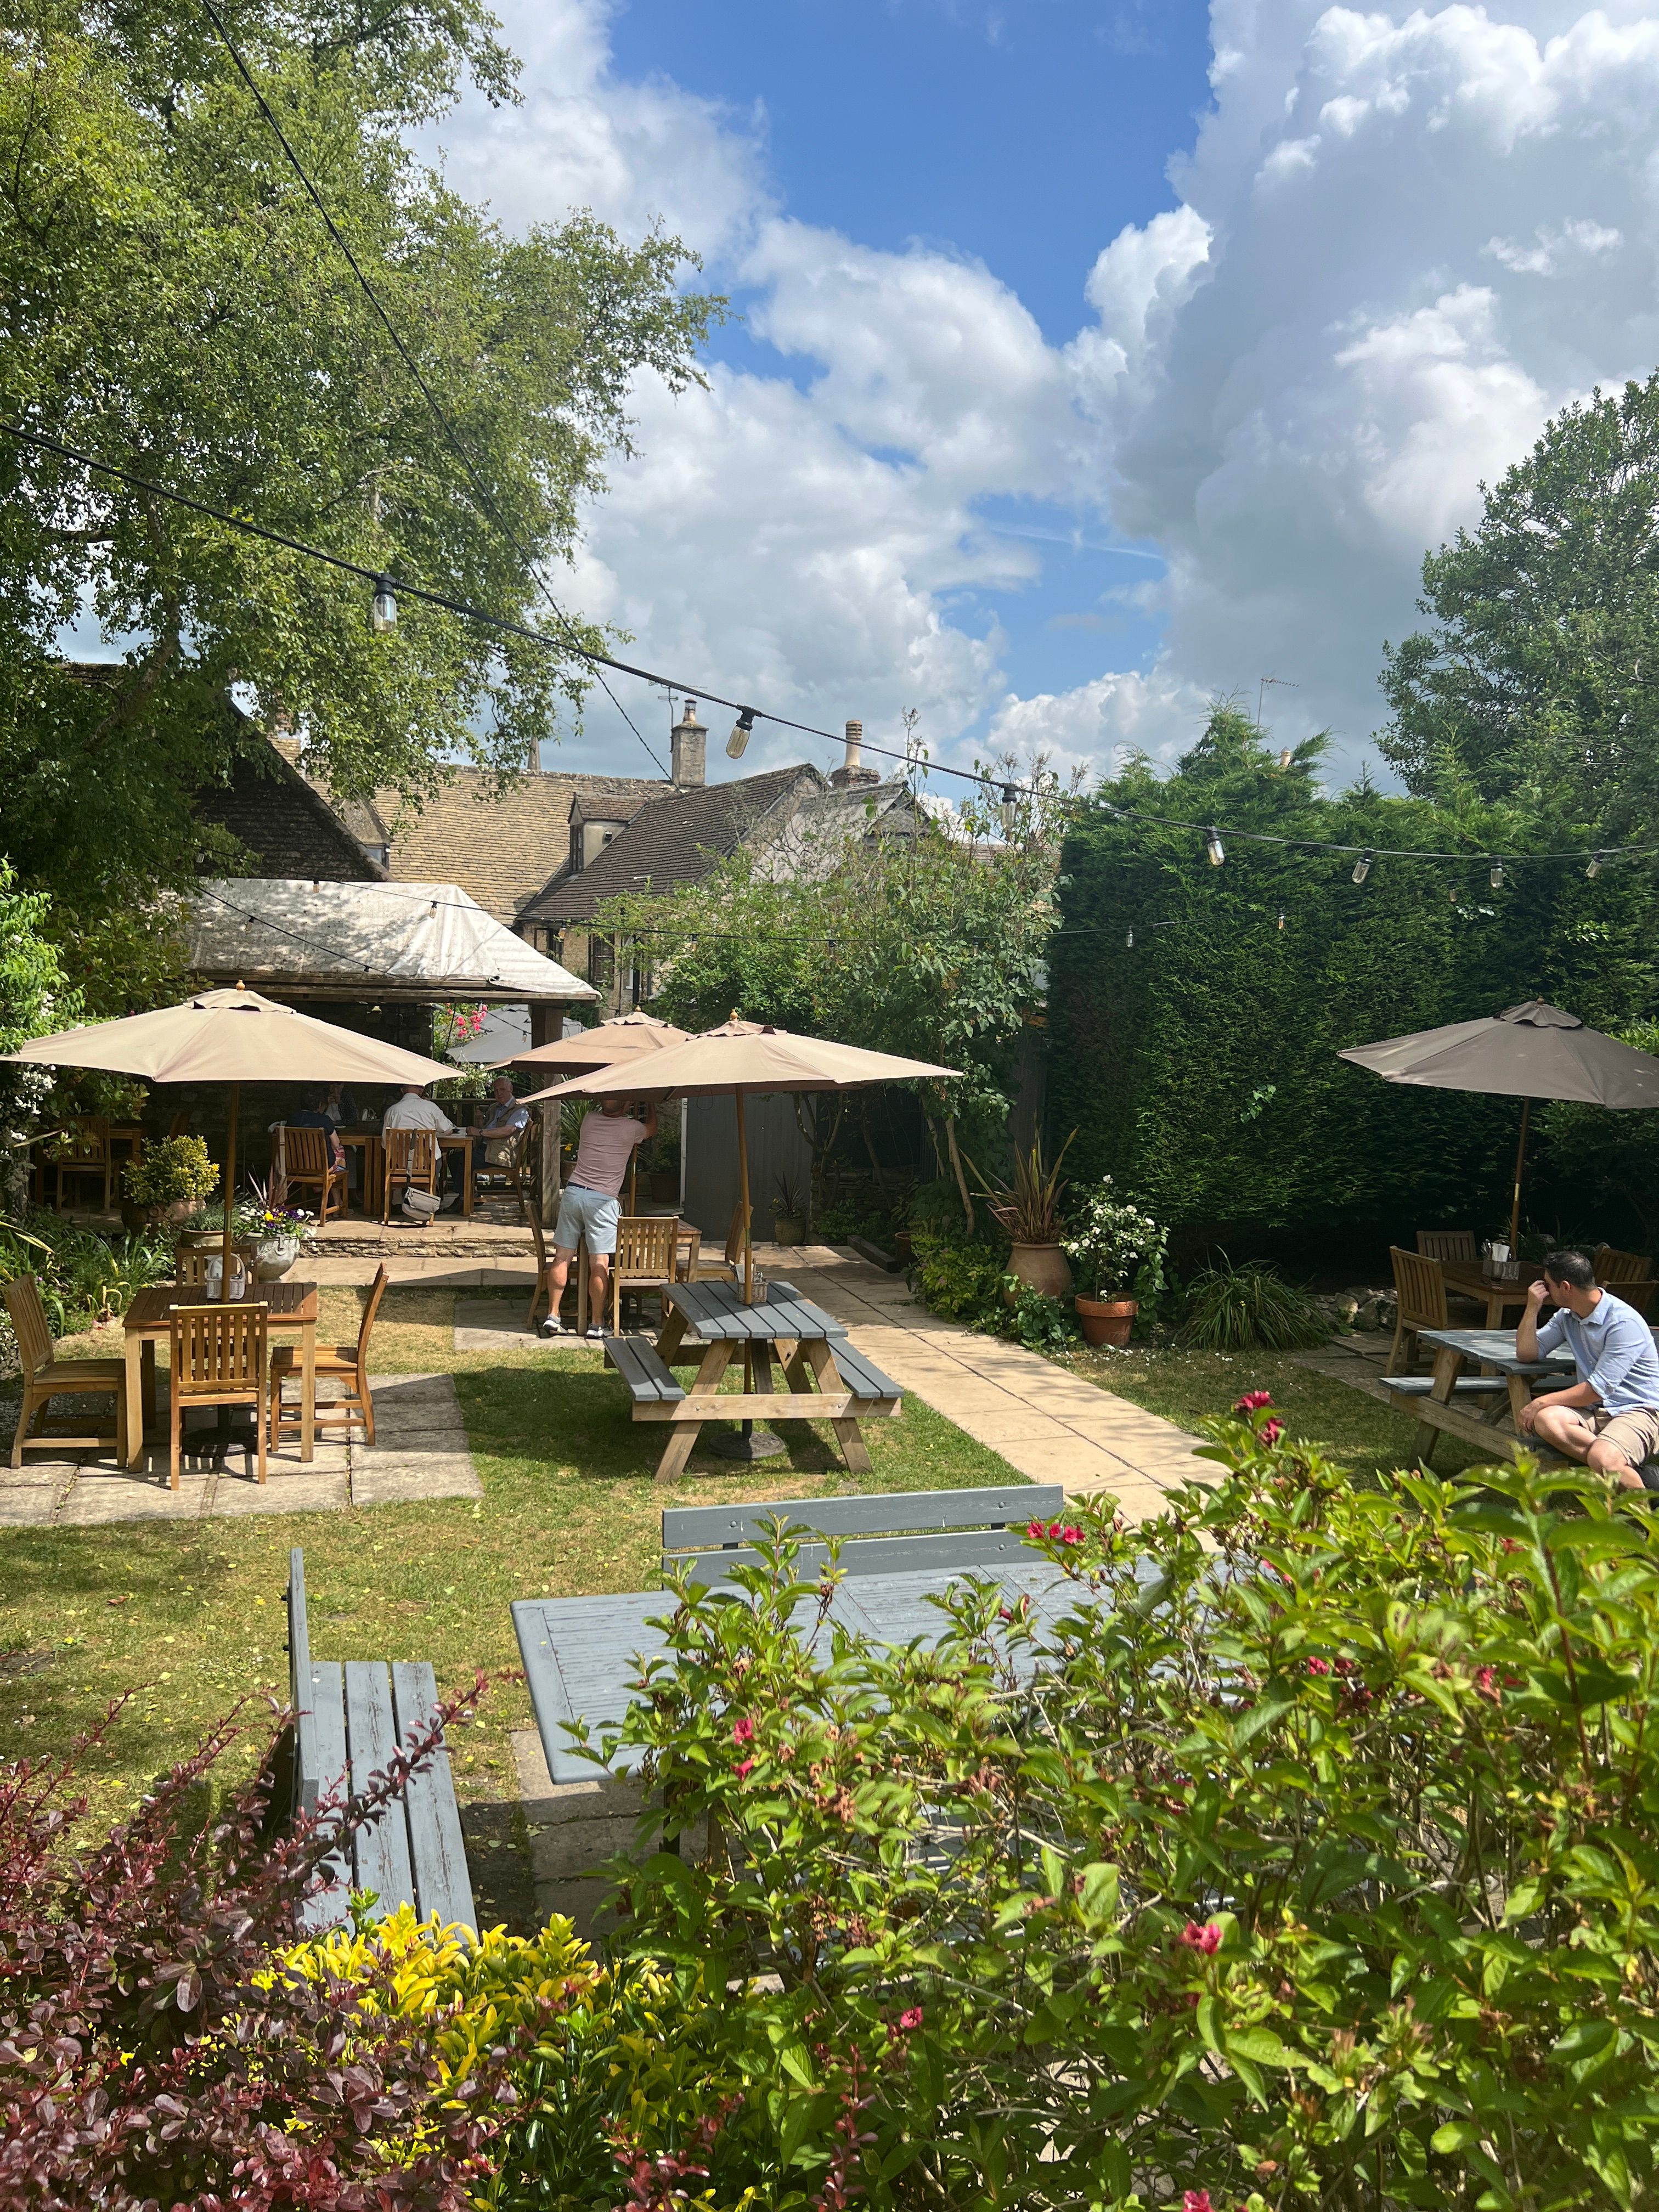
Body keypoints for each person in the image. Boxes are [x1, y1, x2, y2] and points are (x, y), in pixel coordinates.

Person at [1515, 1248, 1659, 1491]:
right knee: (1547, 1420)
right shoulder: (1568, 1316)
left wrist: (1538, 1402)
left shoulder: (1623, 1323)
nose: (1545, 1291)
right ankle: (1635, 1473)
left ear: (1565, 1287)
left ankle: (1650, 1513)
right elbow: (1528, 1352)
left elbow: (1596, 1390)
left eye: (1548, 1285)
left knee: (1601, 1458)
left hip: (1637, 1410)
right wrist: (1532, 1308)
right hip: (1595, 1411)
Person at [540, 1094, 658, 1338]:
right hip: (603, 1201)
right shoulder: (632, 1128)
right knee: (599, 1263)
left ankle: (553, 1315)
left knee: (562, 1256)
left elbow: (611, 1110)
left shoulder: (589, 1120)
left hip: (574, 1192)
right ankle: (596, 1324)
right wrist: (650, 1103)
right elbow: (652, 1129)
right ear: (628, 1105)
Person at [382, 1083, 460, 1207]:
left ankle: (396, 1199)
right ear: (421, 1090)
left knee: (393, 1157)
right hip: (427, 1164)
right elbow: (448, 1130)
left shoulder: (392, 1111)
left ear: (402, 1091)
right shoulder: (430, 1107)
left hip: (399, 1165)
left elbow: (386, 1144)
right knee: (436, 1158)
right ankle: (429, 1196)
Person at [469, 1074, 529, 1185]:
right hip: (486, 1150)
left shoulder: (520, 1110)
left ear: (511, 1089)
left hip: (501, 1155)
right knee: (455, 1158)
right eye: (496, 1091)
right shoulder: (494, 1108)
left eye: (502, 1090)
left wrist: (479, 1132)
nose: (499, 1093)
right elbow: (486, 1129)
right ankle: (468, 1195)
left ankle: (465, 1197)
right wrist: (480, 1119)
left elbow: (507, 1131)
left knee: (465, 1161)